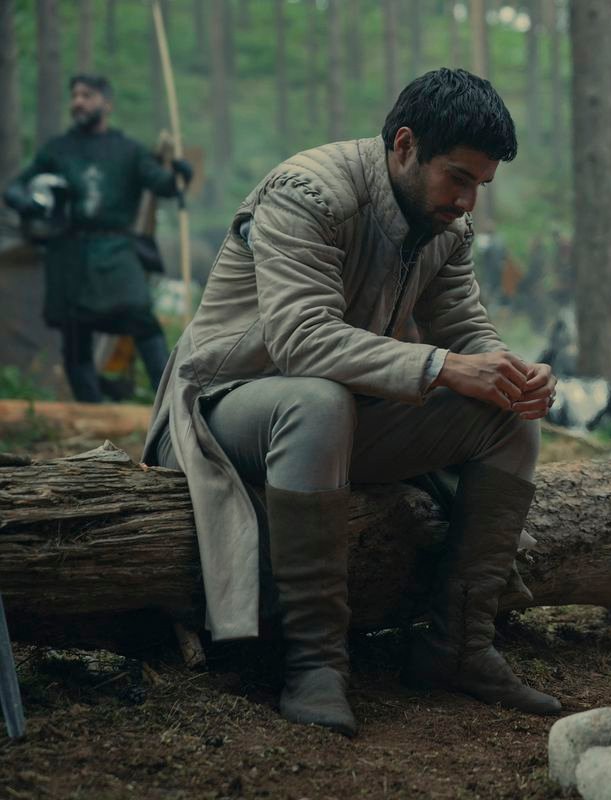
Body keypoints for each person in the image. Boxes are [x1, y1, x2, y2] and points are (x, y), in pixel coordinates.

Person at [142, 69, 561, 738]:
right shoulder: (307, 194)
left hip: (340, 414)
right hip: (225, 407)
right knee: (316, 402)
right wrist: (444, 366)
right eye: (458, 178)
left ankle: (459, 647)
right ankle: (313, 662)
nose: (468, 201)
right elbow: (300, 339)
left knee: (507, 419)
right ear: (403, 146)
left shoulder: (445, 228)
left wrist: (509, 371)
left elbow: (462, 328)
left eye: (481, 185)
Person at [2, 74, 191, 402]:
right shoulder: (57, 150)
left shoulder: (129, 151)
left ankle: (172, 404)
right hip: (68, 251)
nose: (77, 101)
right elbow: (16, 187)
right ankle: (91, 412)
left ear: (107, 104)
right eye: (74, 95)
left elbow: (162, 185)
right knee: (75, 332)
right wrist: (26, 202)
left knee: (141, 317)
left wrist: (179, 174)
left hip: (115, 249)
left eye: (86, 95)